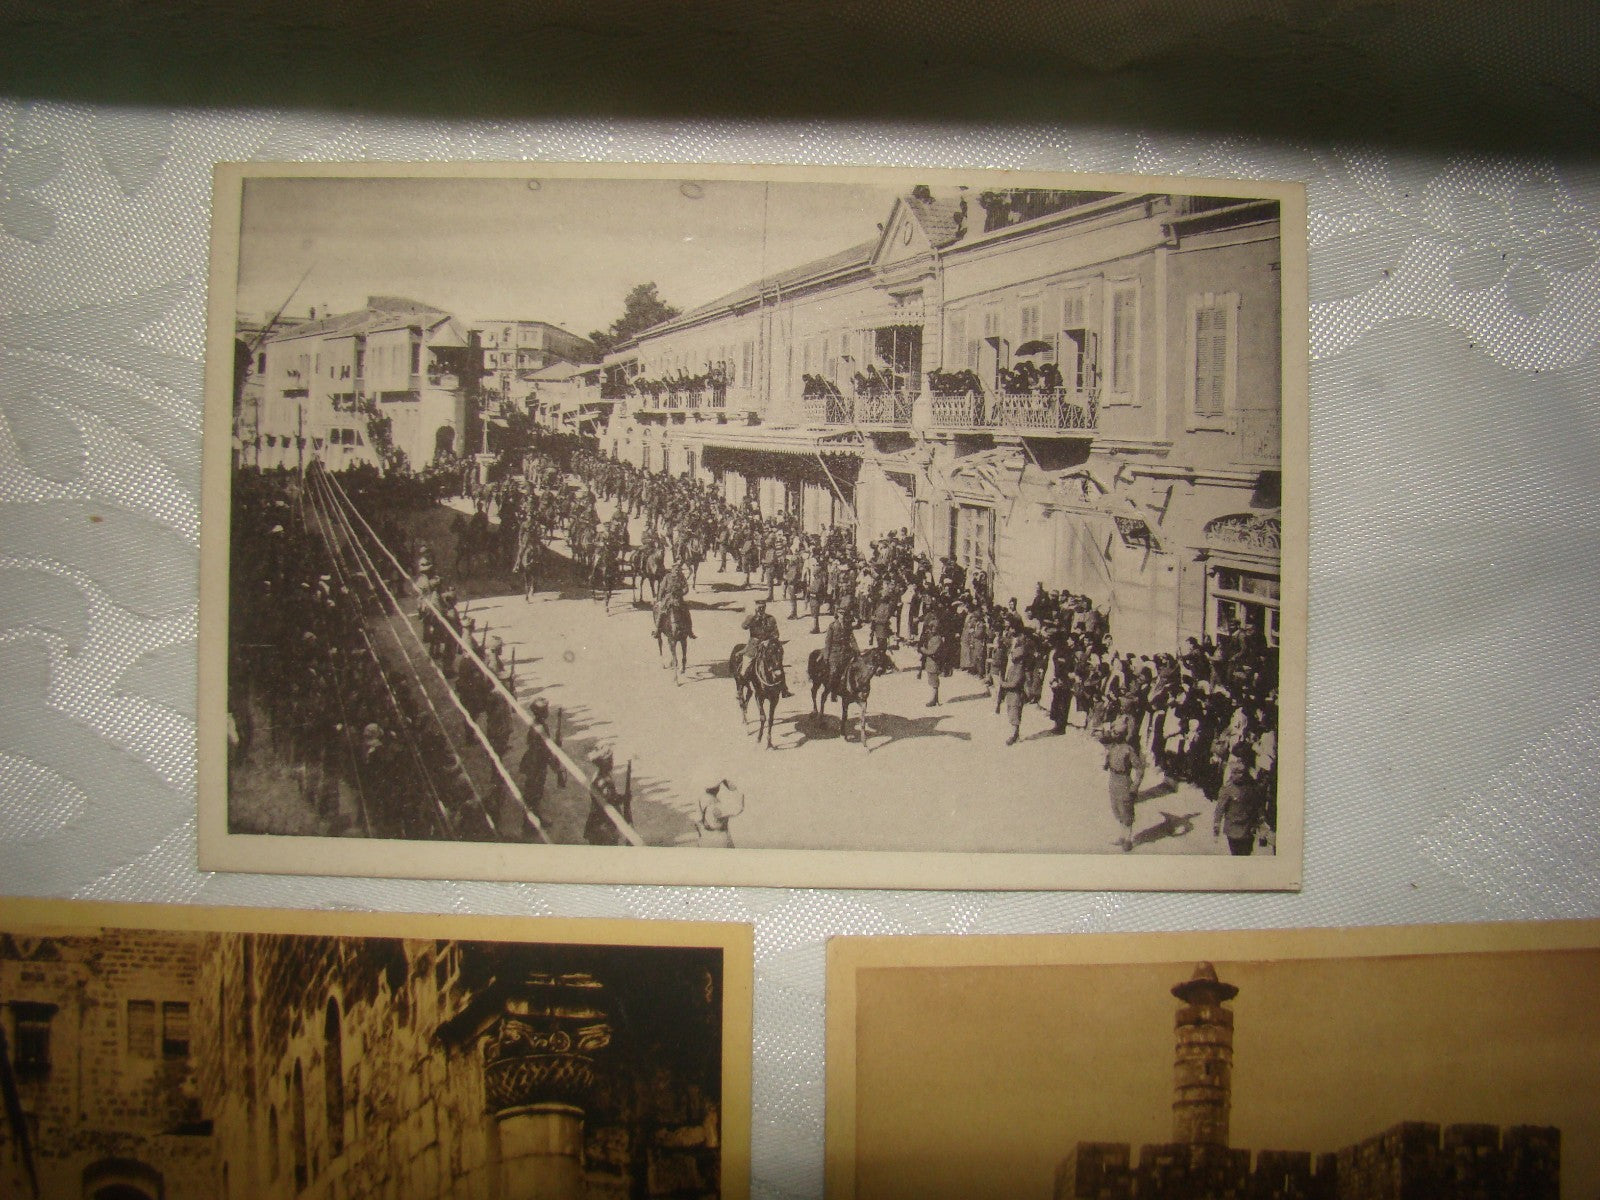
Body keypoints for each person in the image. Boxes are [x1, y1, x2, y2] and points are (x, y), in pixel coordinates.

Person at [516, 698, 565, 832]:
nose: (548, 711)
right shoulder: (540, 728)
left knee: (535, 792)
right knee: (534, 792)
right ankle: (529, 824)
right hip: (536, 764)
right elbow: (544, 750)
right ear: (542, 712)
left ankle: (532, 818)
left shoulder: (538, 724)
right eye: (546, 709)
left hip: (534, 762)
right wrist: (555, 761)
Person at [1104, 732, 1147, 853]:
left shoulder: (1129, 750)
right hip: (1113, 780)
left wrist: (1135, 787)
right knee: (1116, 808)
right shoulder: (1112, 748)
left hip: (1124, 781)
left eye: (1117, 734)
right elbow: (1106, 765)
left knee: (1126, 810)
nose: (1114, 736)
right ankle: (1122, 836)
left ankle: (1128, 839)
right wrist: (1106, 759)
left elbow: (1139, 768)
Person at [1213, 760, 1267, 855]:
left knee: (1247, 852)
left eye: (1242, 772)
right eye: (1236, 773)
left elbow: (1258, 804)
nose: (1239, 775)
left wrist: (1261, 824)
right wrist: (1216, 825)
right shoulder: (1228, 789)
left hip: (1248, 828)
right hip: (1233, 828)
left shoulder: (1251, 786)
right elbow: (1220, 808)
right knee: (1236, 853)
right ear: (1232, 773)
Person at [740, 599, 792, 696]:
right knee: (747, 665)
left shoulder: (771, 619)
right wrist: (751, 619)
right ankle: (742, 686)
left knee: (778, 664)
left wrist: (769, 640)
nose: (761, 610)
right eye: (759, 608)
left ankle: (784, 689)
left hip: (768, 645)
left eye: (763, 607)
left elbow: (776, 633)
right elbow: (744, 627)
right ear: (756, 608)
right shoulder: (751, 618)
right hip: (754, 644)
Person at [697, 768, 746, 848]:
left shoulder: (702, 798)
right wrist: (737, 790)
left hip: (704, 839)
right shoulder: (715, 806)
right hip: (718, 841)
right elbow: (738, 808)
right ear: (717, 788)